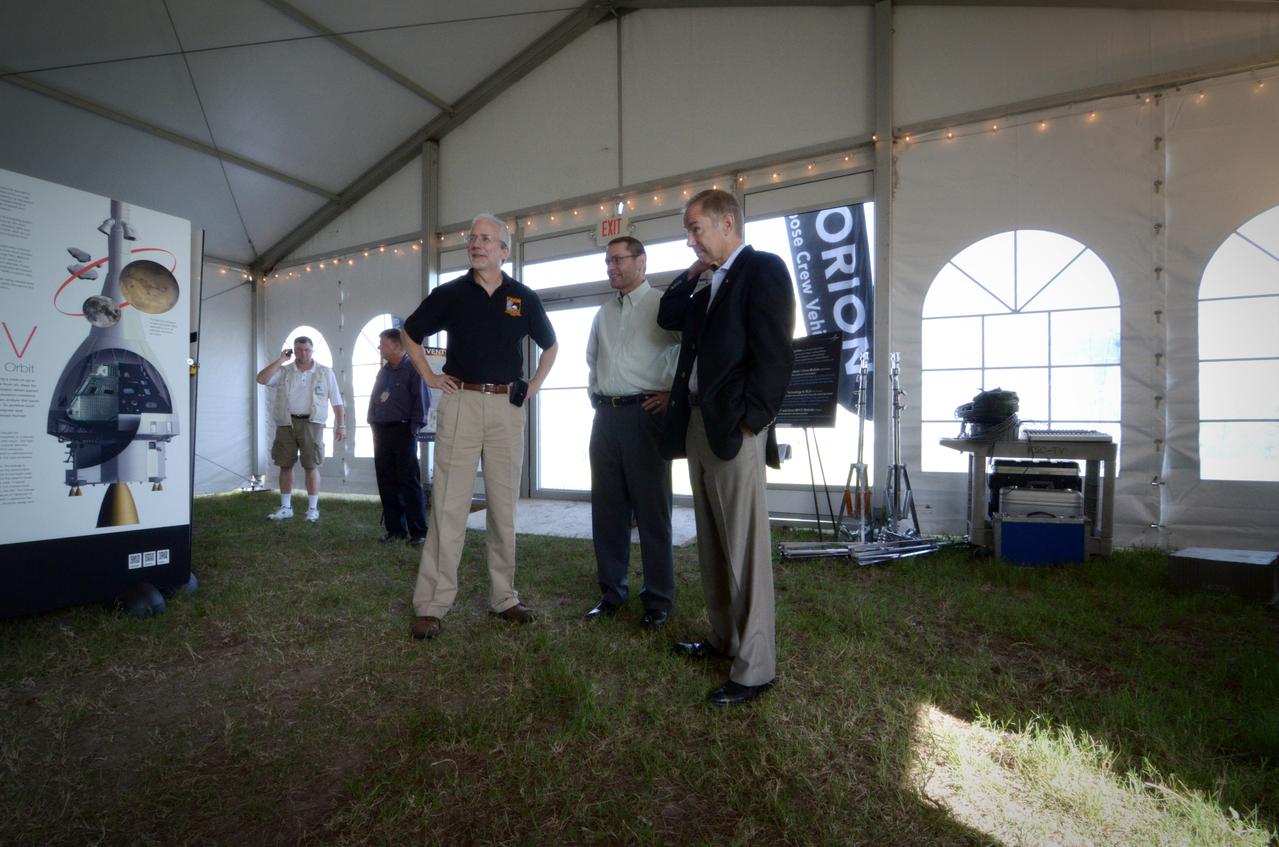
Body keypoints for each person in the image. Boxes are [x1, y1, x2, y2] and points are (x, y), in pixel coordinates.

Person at [658, 189, 795, 706]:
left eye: (696, 229)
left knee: (744, 548)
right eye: (687, 231)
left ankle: (756, 667)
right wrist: (695, 270)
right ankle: (724, 639)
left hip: (733, 428)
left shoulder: (763, 269)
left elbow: (776, 356)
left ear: (728, 222)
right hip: (697, 424)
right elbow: (667, 315)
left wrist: (750, 424)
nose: (689, 239)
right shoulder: (707, 281)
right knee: (713, 543)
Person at [401, 213, 558, 640]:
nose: (477, 244)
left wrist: (535, 386)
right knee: (449, 504)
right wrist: (430, 376)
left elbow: (551, 344)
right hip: (461, 402)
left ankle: (504, 597)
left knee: (504, 506)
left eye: (487, 239)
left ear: (504, 250)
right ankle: (432, 603)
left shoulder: (523, 298)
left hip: (507, 406)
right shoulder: (450, 293)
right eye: (473, 238)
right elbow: (410, 334)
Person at [583, 236, 682, 629]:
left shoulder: (663, 306)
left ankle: (658, 599)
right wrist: (596, 392)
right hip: (605, 418)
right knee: (607, 511)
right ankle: (612, 593)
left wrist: (674, 392)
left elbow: (690, 349)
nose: (611, 267)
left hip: (646, 416)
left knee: (652, 511)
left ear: (641, 260)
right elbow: (593, 359)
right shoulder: (603, 313)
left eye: (618, 260)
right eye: (607, 261)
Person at [256, 335, 346, 523]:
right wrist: (280, 359)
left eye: (306, 349)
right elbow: (261, 379)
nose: (302, 353)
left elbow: (337, 401)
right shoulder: (284, 371)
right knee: (285, 465)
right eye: (298, 349)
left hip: (312, 423)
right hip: (286, 423)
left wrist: (341, 425)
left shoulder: (324, 372)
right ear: (293, 351)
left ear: (312, 350)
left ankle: (313, 509)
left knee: (311, 466)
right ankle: (286, 507)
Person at [367, 327, 429, 545]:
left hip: (403, 431)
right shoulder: (384, 371)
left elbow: (422, 402)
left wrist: (412, 429)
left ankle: (419, 533)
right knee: (386, 481)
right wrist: (372, 422)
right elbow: (375, 398)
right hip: (381, 432)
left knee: (409, 482)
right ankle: (395, 530)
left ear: (396, 346)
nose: (379, 347)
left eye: (382, 343)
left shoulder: (413, 369)